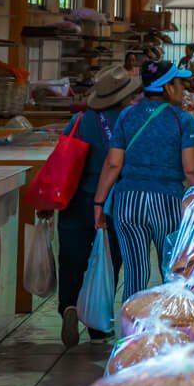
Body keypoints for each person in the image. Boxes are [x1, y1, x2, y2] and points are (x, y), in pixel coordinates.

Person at [93, 63, 194, 306]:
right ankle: (166, 331)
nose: (183, 89)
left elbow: (113, 164)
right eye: (179, 84)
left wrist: (99, 202)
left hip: (128, 203)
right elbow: (192, 169)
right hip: (167, 202)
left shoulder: (127, 115)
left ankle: (131, 336)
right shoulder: (183, 119)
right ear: (167, 87)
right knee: (171, 271)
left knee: (134, 274)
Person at [56, 64, 133, 346]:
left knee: (72, 258)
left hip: (75, 199)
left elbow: (63, 156)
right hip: (110, 203)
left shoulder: (79, 120)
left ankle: (68, 306)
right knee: (107, 261)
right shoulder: (128, 122)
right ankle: (98, 323)